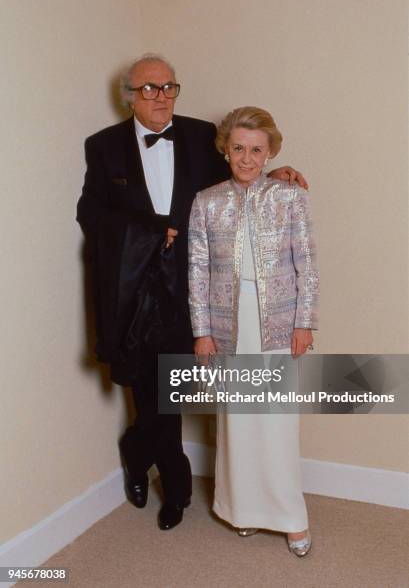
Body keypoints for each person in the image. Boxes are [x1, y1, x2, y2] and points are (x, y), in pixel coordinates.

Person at [77, 54, 308, 531]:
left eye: (168, 87)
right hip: (136, 290)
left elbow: (243, 168)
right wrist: (147, 234)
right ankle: (156, 470)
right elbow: (91, 215)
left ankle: (158, 471)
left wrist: (282, 173)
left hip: (193, 287)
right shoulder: (102, 147)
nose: (160, 97)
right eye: (148, 89)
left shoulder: (203, 135)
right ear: (129, 95)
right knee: (147, 386)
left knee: (175, 386)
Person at [188, 106, 319, 555]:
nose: (247, 159)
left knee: (277, 422)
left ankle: (290, 517)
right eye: (239, 148)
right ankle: (242, 509)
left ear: (270, 153)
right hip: (227, 323)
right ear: (226, 149)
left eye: (256, 150)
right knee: (237, 421)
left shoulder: (289, 197)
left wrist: (304, 322)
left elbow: (307, 266)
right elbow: (198, 271)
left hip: (278, 321)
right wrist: (202, 331)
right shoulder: (206, 201)